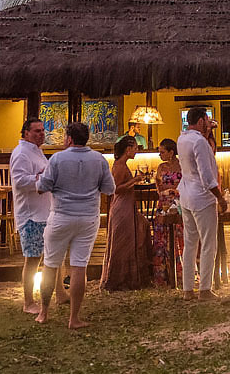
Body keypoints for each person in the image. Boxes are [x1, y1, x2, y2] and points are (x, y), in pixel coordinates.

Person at [34, 121, 115, 328]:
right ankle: (74, 318)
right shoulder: (99, 159)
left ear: (69, 139)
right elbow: (108, 188)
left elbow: (42, 186)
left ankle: (43, 313)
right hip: (88, 217)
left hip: (61, 215)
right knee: (79, 267)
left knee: (51, 265)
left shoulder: (58, 158)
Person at [10, 118, 67, 315]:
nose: (41, 134)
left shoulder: (37, 151)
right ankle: (28, 301)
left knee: (54, 256)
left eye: (43, 130)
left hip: (46, 212)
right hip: (31, 214)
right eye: (36, 131)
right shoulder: (21, 153)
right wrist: (42, 178)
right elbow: (20, 182)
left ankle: (60, 292)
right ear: (25, 133)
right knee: (33, 259)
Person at [177, 107, 227, 300]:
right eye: (206, 120)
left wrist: (208, 131)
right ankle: (205, 289)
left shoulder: (183, 138)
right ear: (200, 121)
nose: (209, 122)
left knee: (190, 243)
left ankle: (188, 289)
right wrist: (220, 197)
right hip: (202, 197)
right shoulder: (199, 142)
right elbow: (207, 176)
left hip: (186, 195)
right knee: (208, 244)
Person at [102, 136, 152, 291]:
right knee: (122, 242)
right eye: (135, 148)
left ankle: (130, 277)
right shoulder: (119, 166)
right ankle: (119, 279)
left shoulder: (123, 165)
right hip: (121, 207)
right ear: (128, 149)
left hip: (127, 206)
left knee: (133, 237)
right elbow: (116, 189)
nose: (137, 151)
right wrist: (135, 180)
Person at [151, 137, 183, 286]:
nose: (160, 155)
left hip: (178, 204)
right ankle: (163, 276)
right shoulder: (161, 167)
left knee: (178, 236)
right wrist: (165, 192)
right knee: (161, 239)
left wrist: (175, 192)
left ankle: (180, 272)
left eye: (162, 152)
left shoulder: (182, 166)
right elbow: (158, 186)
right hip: (164, 203)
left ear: (171, 152)